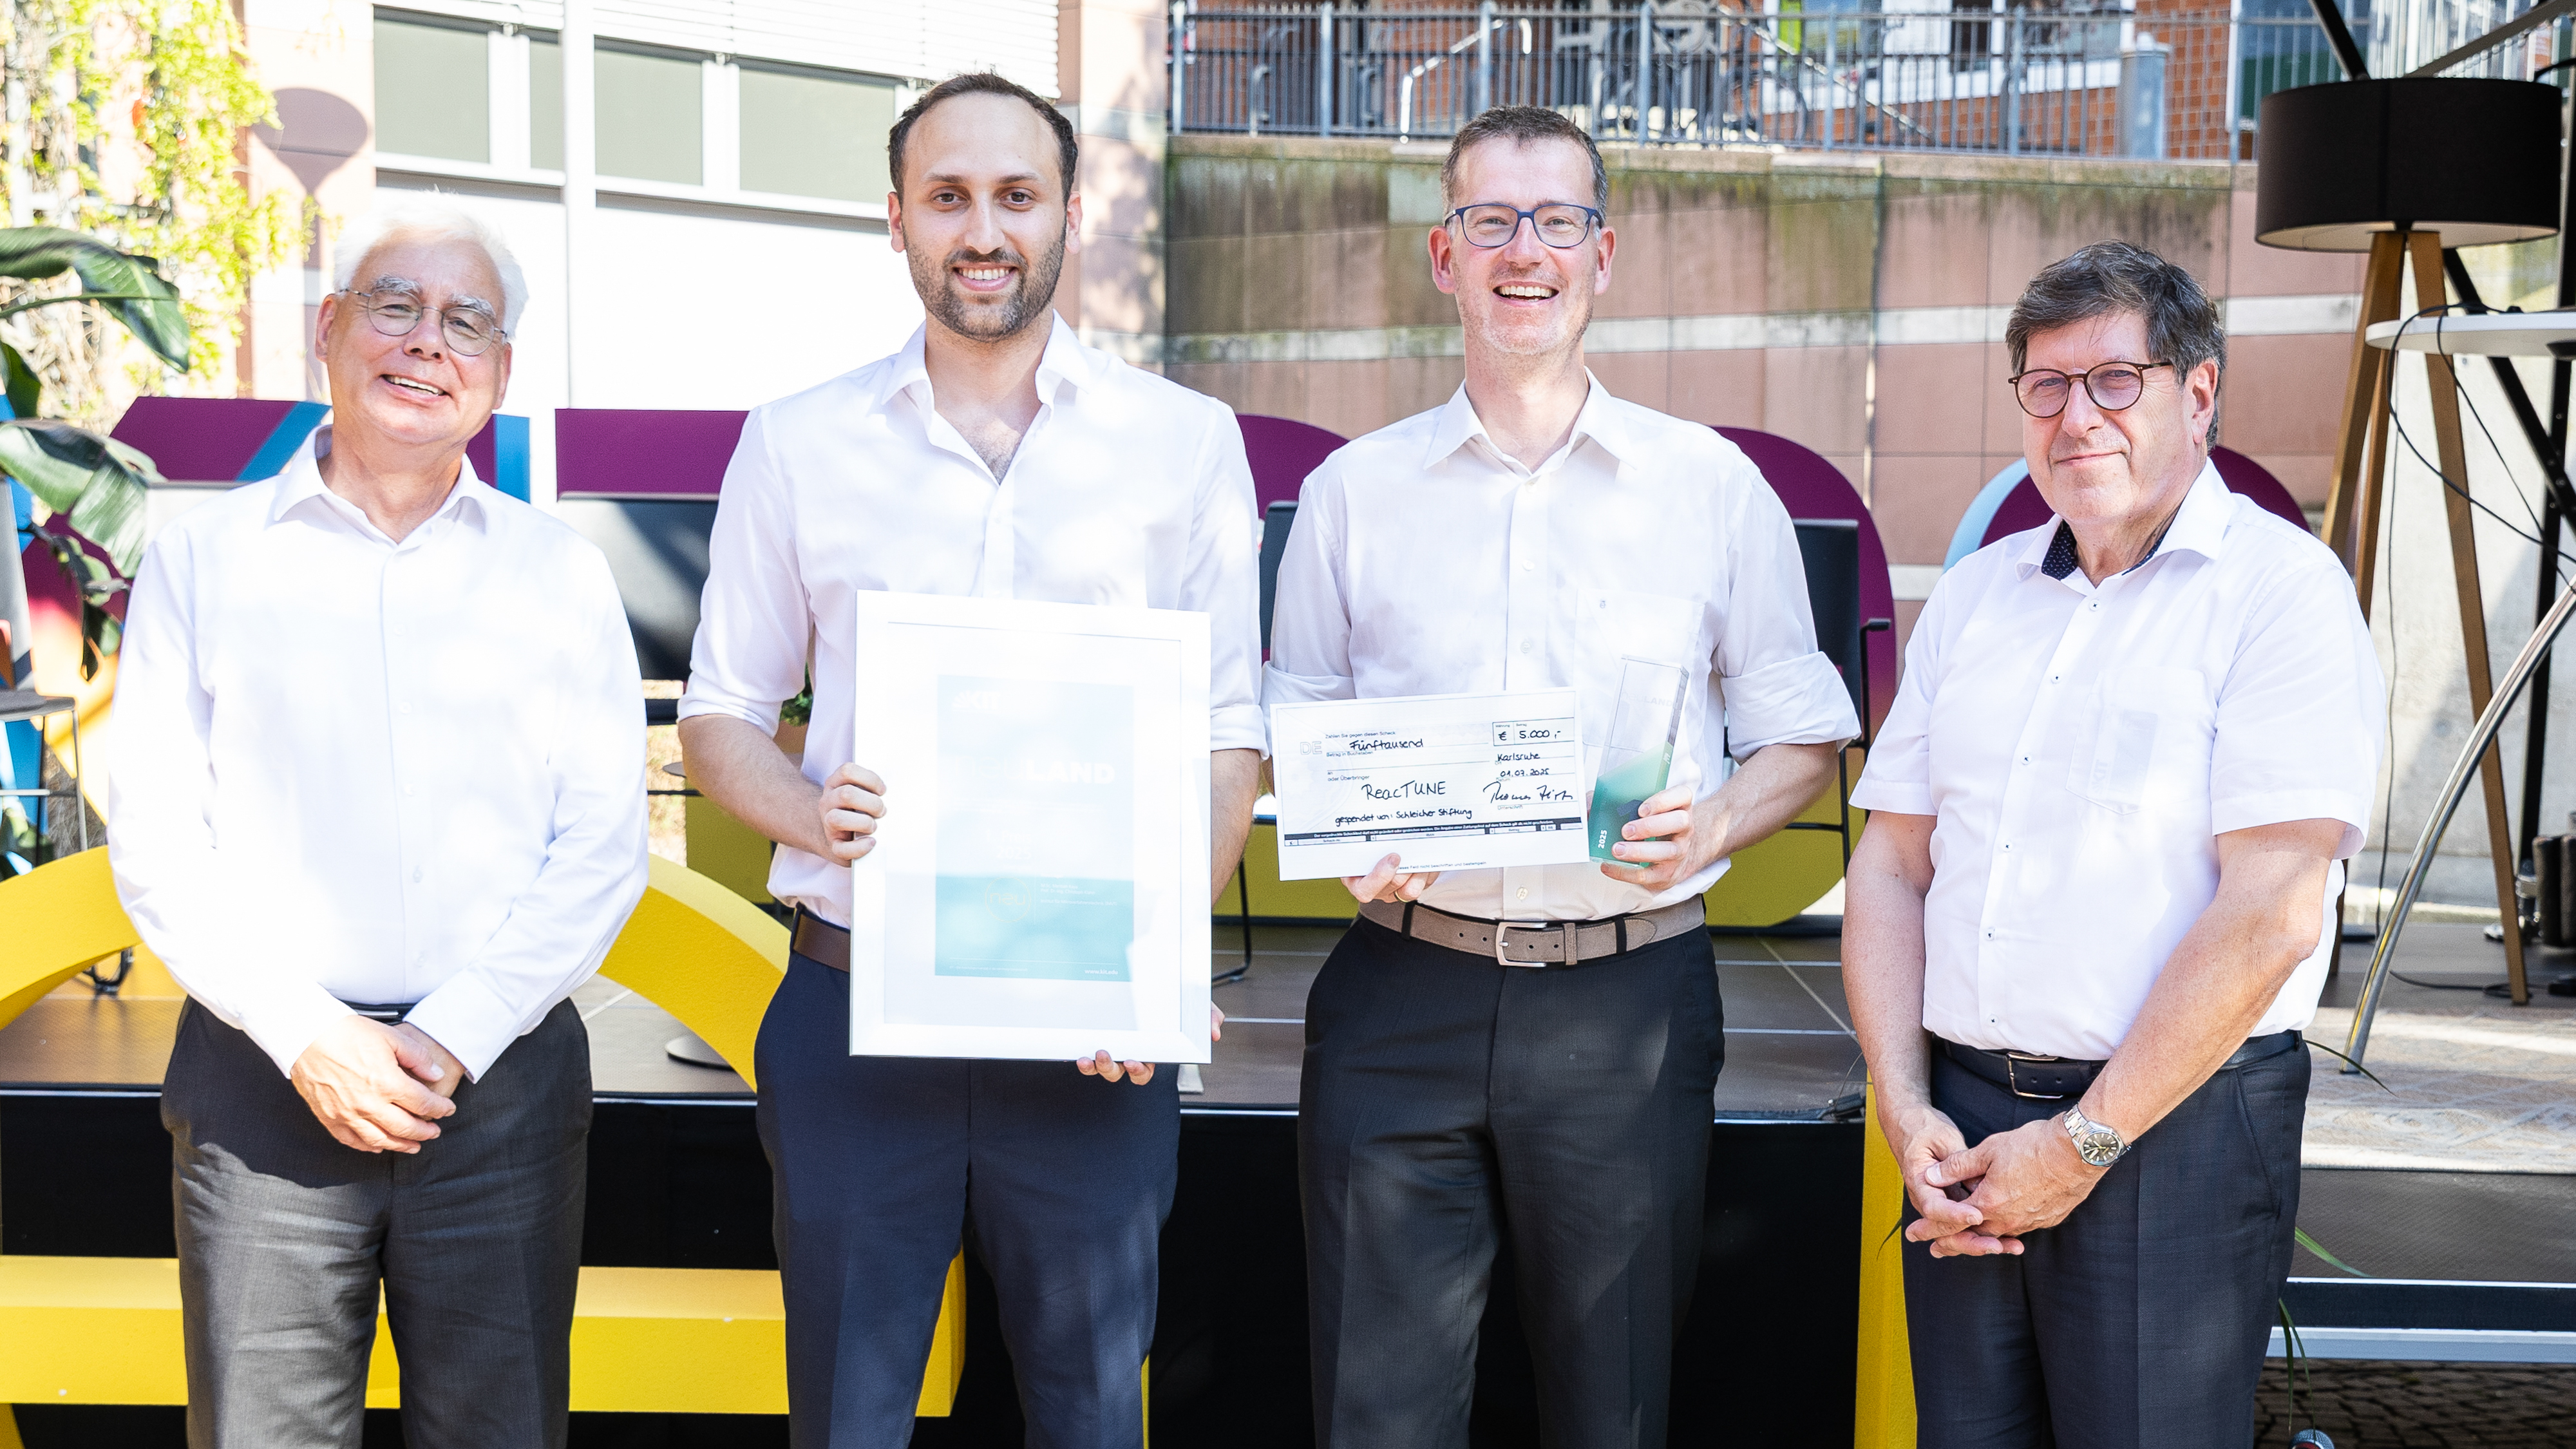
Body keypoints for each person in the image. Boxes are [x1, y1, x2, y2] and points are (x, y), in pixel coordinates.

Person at [676, 70, 1263, 1448]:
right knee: (847, 1420)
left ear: (1071, 213)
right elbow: (717, 716)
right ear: (897, 219)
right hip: (852, 1014)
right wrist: (813, 814)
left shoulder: (1183, 445)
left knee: (1089, 1419)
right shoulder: (797, 442)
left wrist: (1155, 968)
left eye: (1015, 195)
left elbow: (1225, 733)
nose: (982, 231)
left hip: (1091, 1037)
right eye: (947, 198)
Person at [1264, 106, 1858, 1448]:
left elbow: (1802, 735)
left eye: (1555, 221)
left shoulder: (1708, 486)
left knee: (1612, 1410)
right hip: (1400, 993)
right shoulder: (1353, 492)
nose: (1521, 250)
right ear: (1444, 256)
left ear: (1603, 253)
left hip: (1626, 1001)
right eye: (1490, 221)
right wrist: (1345, 830)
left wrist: (1713, 822)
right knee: (1374, 1414)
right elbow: (1297, 719)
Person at [109, 200, 648, 1449]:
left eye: (466, 323)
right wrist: (312, 1038)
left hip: (499, 1086)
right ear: (328, 330)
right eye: (394, 305)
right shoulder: (202, 561)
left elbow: (603, 846)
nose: (425, 344)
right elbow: (160, 840)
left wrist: (452, 1035)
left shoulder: (560, 575)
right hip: (264, 1079)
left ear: (500, 373)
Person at [1842, 240, 2385, 1448]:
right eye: (2046, 385)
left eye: (2114, 381)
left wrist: (2082, 1142)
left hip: (2172, 1130)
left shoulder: (2284, 595)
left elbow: (2273, 910)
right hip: (1963, 1126)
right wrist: (1904, 1101)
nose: (2075, 416)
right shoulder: (1974, 598)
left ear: (2199, 392)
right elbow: (1889, 864)